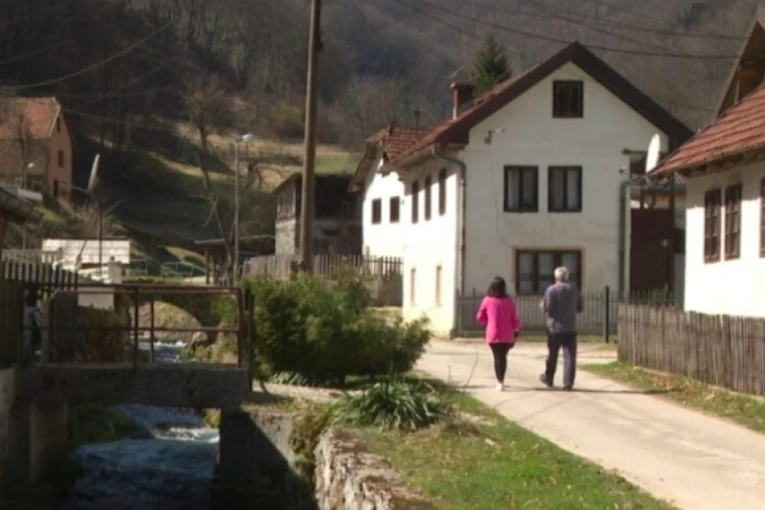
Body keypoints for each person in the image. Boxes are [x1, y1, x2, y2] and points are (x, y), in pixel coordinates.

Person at [539, 266, 583, 391]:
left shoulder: (551, 290)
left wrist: (542, 305)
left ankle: (549, 378)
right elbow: (580, 308)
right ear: (567, 277)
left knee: (552, 354)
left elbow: (548, 308)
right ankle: (568, 382)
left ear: (556, 277)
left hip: (555, 327)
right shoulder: (574, 290)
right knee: (570, 356)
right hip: (570, 326)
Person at [476, 276, 522, 392]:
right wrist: (516, 328)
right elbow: (514, 317)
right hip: (507, 333)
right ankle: (502, 381)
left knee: (497, 357)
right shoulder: (509, 300)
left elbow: (480, 317)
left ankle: (499, 382)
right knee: (503, 357)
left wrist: (487, 320)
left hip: (493, 332)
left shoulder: (487, 300)